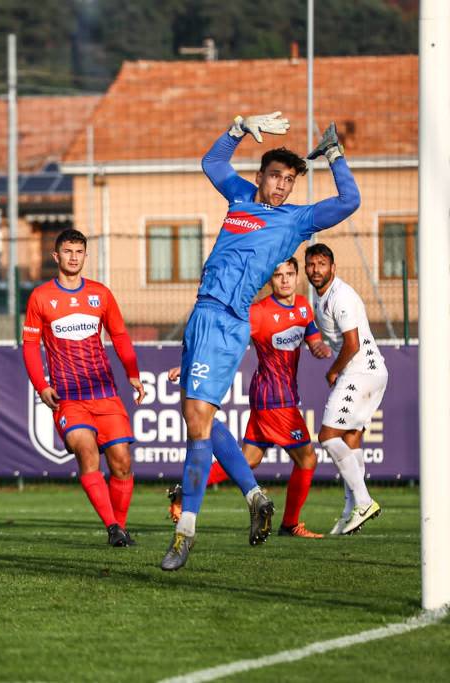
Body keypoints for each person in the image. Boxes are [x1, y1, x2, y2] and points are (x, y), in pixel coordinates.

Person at [162, 115, 361, 571]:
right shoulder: (239, 198)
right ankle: (254, 496)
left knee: (196, 421)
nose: (283, 186)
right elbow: (211, 162)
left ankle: (185, 532)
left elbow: (350, 199)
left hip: (229, 318)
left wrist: (334, 154)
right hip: (201, 314)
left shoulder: (296, 221)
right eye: (276, 176)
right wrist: (239, 126)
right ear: (260, 176)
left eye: (290, 181)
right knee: (200, 417)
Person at [166, 258, 330, 538]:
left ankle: (184, 491)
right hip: (275, 400)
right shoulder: (258, 313)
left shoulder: (303, 305)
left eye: (290, 274)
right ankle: (291, 524)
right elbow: (224, 341)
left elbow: (312, 335)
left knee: (248, 461)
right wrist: (187, 365)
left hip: (274, 397)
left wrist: (318, 347)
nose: (285, 280)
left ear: (297, 276)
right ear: (269, 281)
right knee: (307, 460)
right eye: (278, 275)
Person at [22, 229, 145, 547]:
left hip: (104, 394)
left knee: (122, 461)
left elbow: (119, 336)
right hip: (69, 399)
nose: (73, 257)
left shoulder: (101, 294)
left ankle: (120, 528)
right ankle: (112, 528)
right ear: (56, 256)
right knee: (86, 452)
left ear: (85, 256)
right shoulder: (40, 297)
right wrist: (41, 385)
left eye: (79, 251)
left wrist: (132, 372)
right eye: (67, 251)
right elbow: (30, 346)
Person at [305, 243, 385, 535]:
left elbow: (352, 344)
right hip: (371, 372)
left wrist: (334, 369)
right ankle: (351, 511)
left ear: (333, 268)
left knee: (327, 436)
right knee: (351, 438)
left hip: (360, 371)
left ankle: (363, 501)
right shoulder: (322, 298)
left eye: (322, 264)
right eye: (312, 265)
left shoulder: (341, 297)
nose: (316, 270)